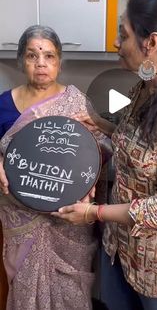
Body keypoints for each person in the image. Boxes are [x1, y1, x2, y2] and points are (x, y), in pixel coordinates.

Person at [55, 0, 157, 310]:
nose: (117, 42)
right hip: (122, 245)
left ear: (151, 42)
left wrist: (92, 213)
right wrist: (101, 124)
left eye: (124, 34)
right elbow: (135, 142)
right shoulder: (145, 83)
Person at [0, 25, 110, 310]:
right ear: (20, 60)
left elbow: (101, 153)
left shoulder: (78, 103)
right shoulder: (3, 104)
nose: (41, 64)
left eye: (49, 56)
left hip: (69, 223)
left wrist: (93, 183)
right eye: (32, 56)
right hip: (20, 218)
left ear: (60, 62)